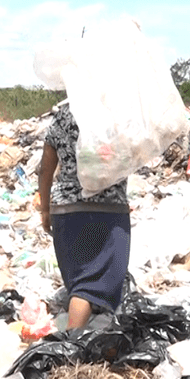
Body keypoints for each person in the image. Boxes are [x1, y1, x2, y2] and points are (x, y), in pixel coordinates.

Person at [38, 101, 132, 330]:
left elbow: (46, 168)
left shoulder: (62, 117)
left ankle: (83, 342)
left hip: (68, 211)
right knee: (95, 285)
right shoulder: (115, 116)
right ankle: (74, 347)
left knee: (82, 283)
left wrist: (45, 209)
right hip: (109, 210)